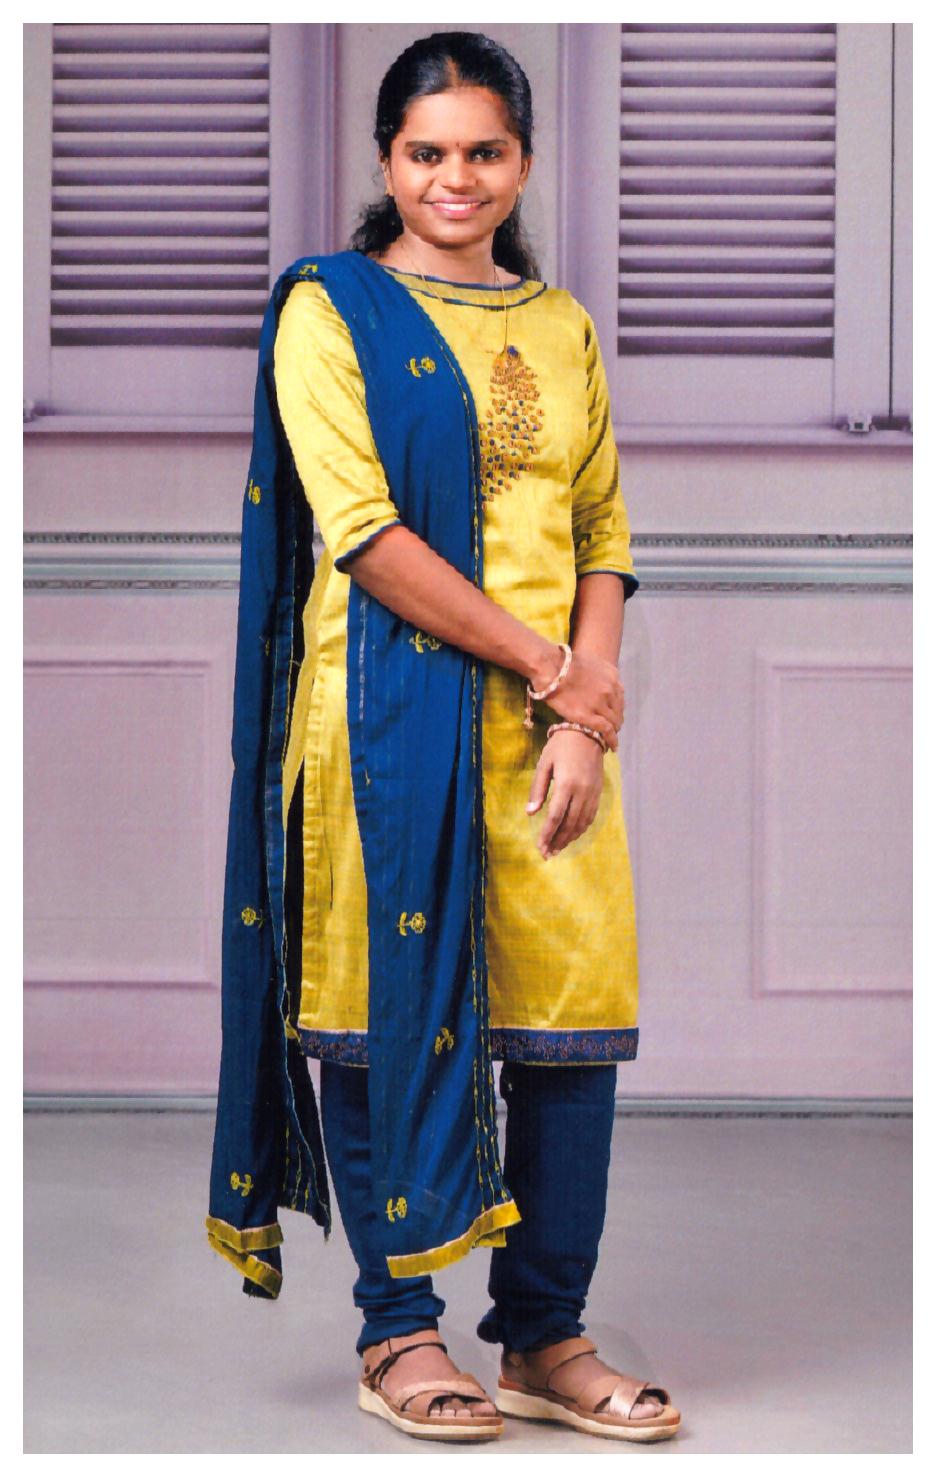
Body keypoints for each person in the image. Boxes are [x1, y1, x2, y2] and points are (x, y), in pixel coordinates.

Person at [210, 28, 680, 1446]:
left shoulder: (563, 324)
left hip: (550, 730)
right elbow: (362, 533)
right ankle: (398, 1330)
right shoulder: (330, 311)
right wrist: (553, 670)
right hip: (384, 721)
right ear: (386, 161)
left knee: (570, 1028)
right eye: (427, 152)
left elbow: (601, 525)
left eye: (484, 151)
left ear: (524, 163)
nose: (454, 178)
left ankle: (545, 1333)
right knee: (377, 1013)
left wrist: (585, 708)